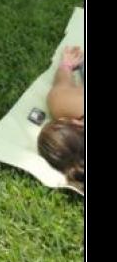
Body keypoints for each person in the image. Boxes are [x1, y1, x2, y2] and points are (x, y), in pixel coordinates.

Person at [38, 46, 84, 191]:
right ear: (75, 123)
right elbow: (62, 80)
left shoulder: (65, 104)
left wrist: (66, 65)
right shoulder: (62, 104)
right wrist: (67, 63)